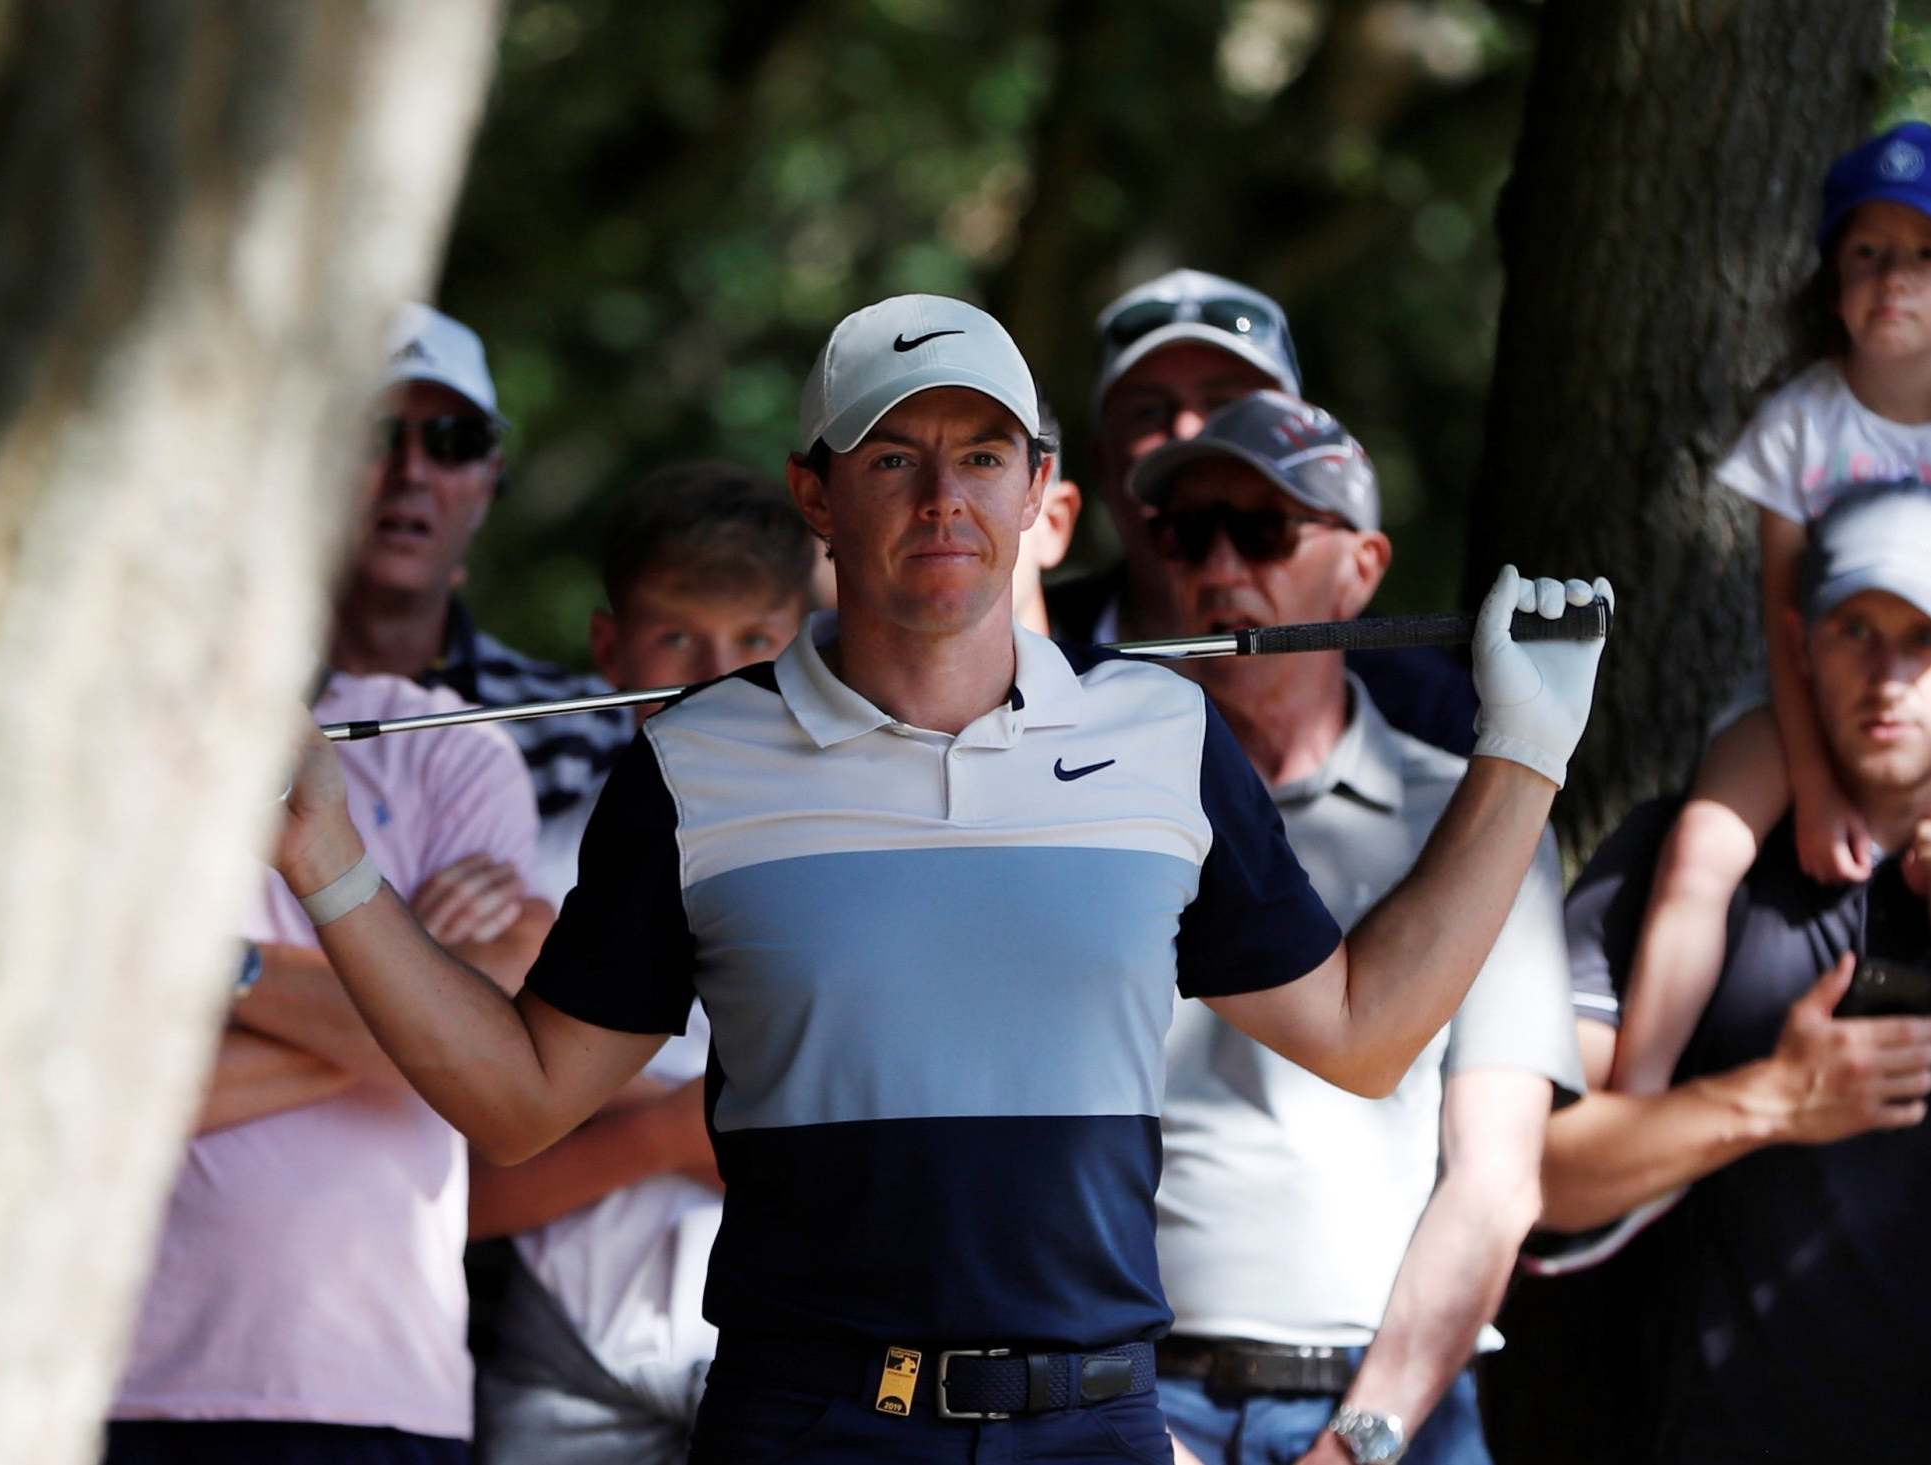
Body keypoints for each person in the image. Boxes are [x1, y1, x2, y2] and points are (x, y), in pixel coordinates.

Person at [269, 293, 1609, 1465]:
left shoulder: (1159, 734)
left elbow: (1366, 1035)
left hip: (1092, 1425)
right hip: (809, 1421)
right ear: (815, 497)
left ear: (1036, 492)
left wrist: (1525, 752)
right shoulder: (695, 760)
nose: (940, 498)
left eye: (979, 457)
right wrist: (327, 860)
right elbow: (517, 1100)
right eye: (894, 457)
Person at [1133, 393, 1580, 1465]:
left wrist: (1356, 1447)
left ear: (1363, 567)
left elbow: (1498, 1177)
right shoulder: (1104, 805)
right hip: (1133, 1402)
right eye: (1189, 532)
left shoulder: (1476, 816)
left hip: (1394, 1417)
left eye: (1267, 528)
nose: (1220, 565)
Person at [105, 488, 556, 1459]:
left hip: (384, 1390)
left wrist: (209, 978)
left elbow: (500, 1056)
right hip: (120, 1377)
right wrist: (418, 997)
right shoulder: (95, 759)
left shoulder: (449, 745)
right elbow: (95, 1101)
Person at [1531, 480, 1931, 1464]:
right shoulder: (1677, 855)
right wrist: (1775, 1099)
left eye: (1924, 638)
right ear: (1797, 647)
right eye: (1856, 631)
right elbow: (1543, 1173)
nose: (1890, 676)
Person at [470, 462, 815, 1465]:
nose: (715, 679)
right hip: (566, 1370)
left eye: (754, 640)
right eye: (676, 638)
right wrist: (678, 1128)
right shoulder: (528, 878)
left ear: (813, 647)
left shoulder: (862, 875)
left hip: (802, 1363)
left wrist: (588, 1119)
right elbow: (466, 1192)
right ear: (609, 648)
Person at [1613, 120, 1931, 1094]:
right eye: (1867, 254)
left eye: (1923, 253)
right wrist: (1814, 780)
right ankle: (1637, 1096)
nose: (1893, 279)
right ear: (1830, 278)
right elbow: (1783, 623)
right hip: (1800, 688)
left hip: (1924, 694)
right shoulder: (1800, 424)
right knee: (1700, 851)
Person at [1049, 268, 1479, 754]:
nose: (1190, 430)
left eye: (1228, 408)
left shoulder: (1421, 698)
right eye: (1149, 411)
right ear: (1101, 463)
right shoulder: (1030, 654)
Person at [330, 303, 631, 821]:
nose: (413, 472)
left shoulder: (582, 730)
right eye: (376, 436)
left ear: (490, 481)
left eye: (455, 442)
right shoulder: (211, 700)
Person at [1012, 391, 1084, 636]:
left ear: (1054, 522)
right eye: (895, 462)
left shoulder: (1141, 676)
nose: (947, 500)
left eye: (983, 461)